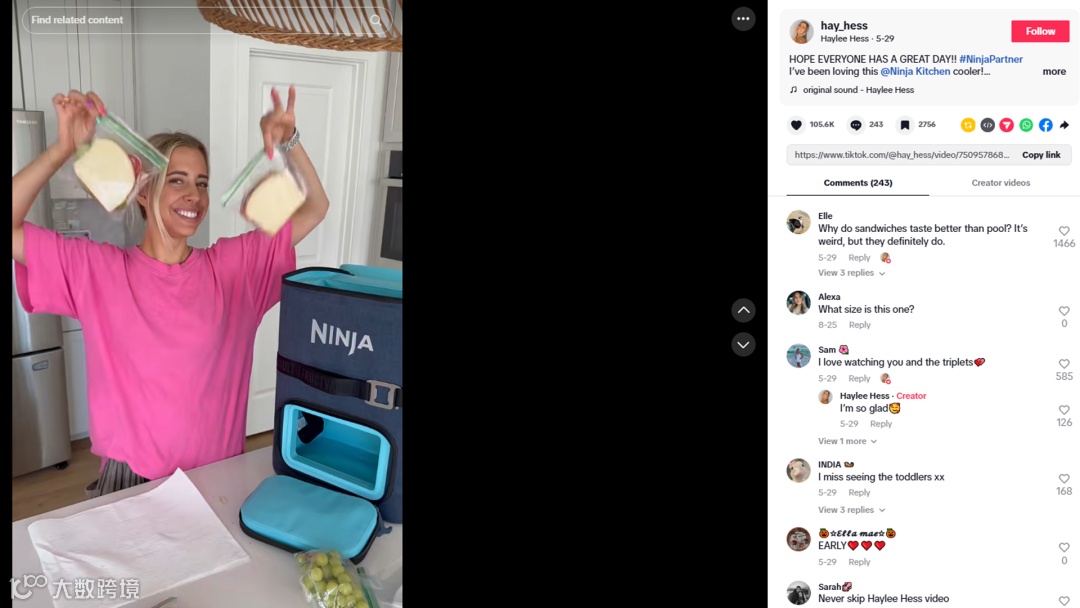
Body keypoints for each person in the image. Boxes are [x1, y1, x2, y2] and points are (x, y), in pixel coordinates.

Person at [12, 88, 331, 497]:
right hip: (131, 480)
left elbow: (316, 207)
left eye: (201, 183)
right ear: (144, 191)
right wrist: (61, 150)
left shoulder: (235, 270)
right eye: (176, 180)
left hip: (216, 478)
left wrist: (289, 142)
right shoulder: (98, 271)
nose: (193, 195)